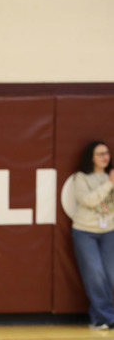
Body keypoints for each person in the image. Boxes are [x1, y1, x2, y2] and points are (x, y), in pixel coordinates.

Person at [71, 140, 114, 330]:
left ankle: (100, 317)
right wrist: (109, 185)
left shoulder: (110, 176)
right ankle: (105, 317)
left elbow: (107, 205)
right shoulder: (81, 178)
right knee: (95, 273)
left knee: (110, 274)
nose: (105, 157)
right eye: (100, 154)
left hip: (108, 231)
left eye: (106, 153)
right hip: (85, 231)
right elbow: (88, 201)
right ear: (92, 158)